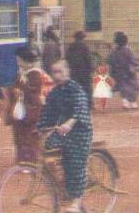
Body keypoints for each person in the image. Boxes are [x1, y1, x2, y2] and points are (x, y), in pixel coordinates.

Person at [37, 60, 92, 213]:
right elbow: (48, 113)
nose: (57, 75)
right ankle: (63, 184)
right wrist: (40, 128)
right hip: (62, 131)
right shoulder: (54, 93)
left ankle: (76, 201)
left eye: (60, 71)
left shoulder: (76, 89)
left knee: (75, 162)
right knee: (47, 148)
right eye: (54, 72)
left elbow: (80, 108)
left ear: (67, 72)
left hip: (79, 131)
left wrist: (70, 122)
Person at [5, 46, 45, 164]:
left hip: (30, 110)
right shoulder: (23, 73)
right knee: (20, 135)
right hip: (23, 109)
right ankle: (22, 159)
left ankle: (30, 161)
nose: (17, 62)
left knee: (29, 136)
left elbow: (32, 92)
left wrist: (18, 90)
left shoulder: (35, 74)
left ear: (25, 60)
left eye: (19, 60)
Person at [108, 31, 139, 109]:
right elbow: (133, 60)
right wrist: (136, 63)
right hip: (129, 71)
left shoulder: (114, 51)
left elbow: (109, 60)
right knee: (133, 86)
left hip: (118, 72)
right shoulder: (127, 50)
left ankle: (126, 102)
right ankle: (132, 102)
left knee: (123, 87)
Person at [65, 31, 94, 107]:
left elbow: (67, 58)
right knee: (87, 88)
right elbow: (88, 58)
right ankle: (88, 103)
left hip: (74, 71)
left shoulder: (71, 46)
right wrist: (91, 68)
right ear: (82, 38)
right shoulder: (84, 46)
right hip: (84, 71)